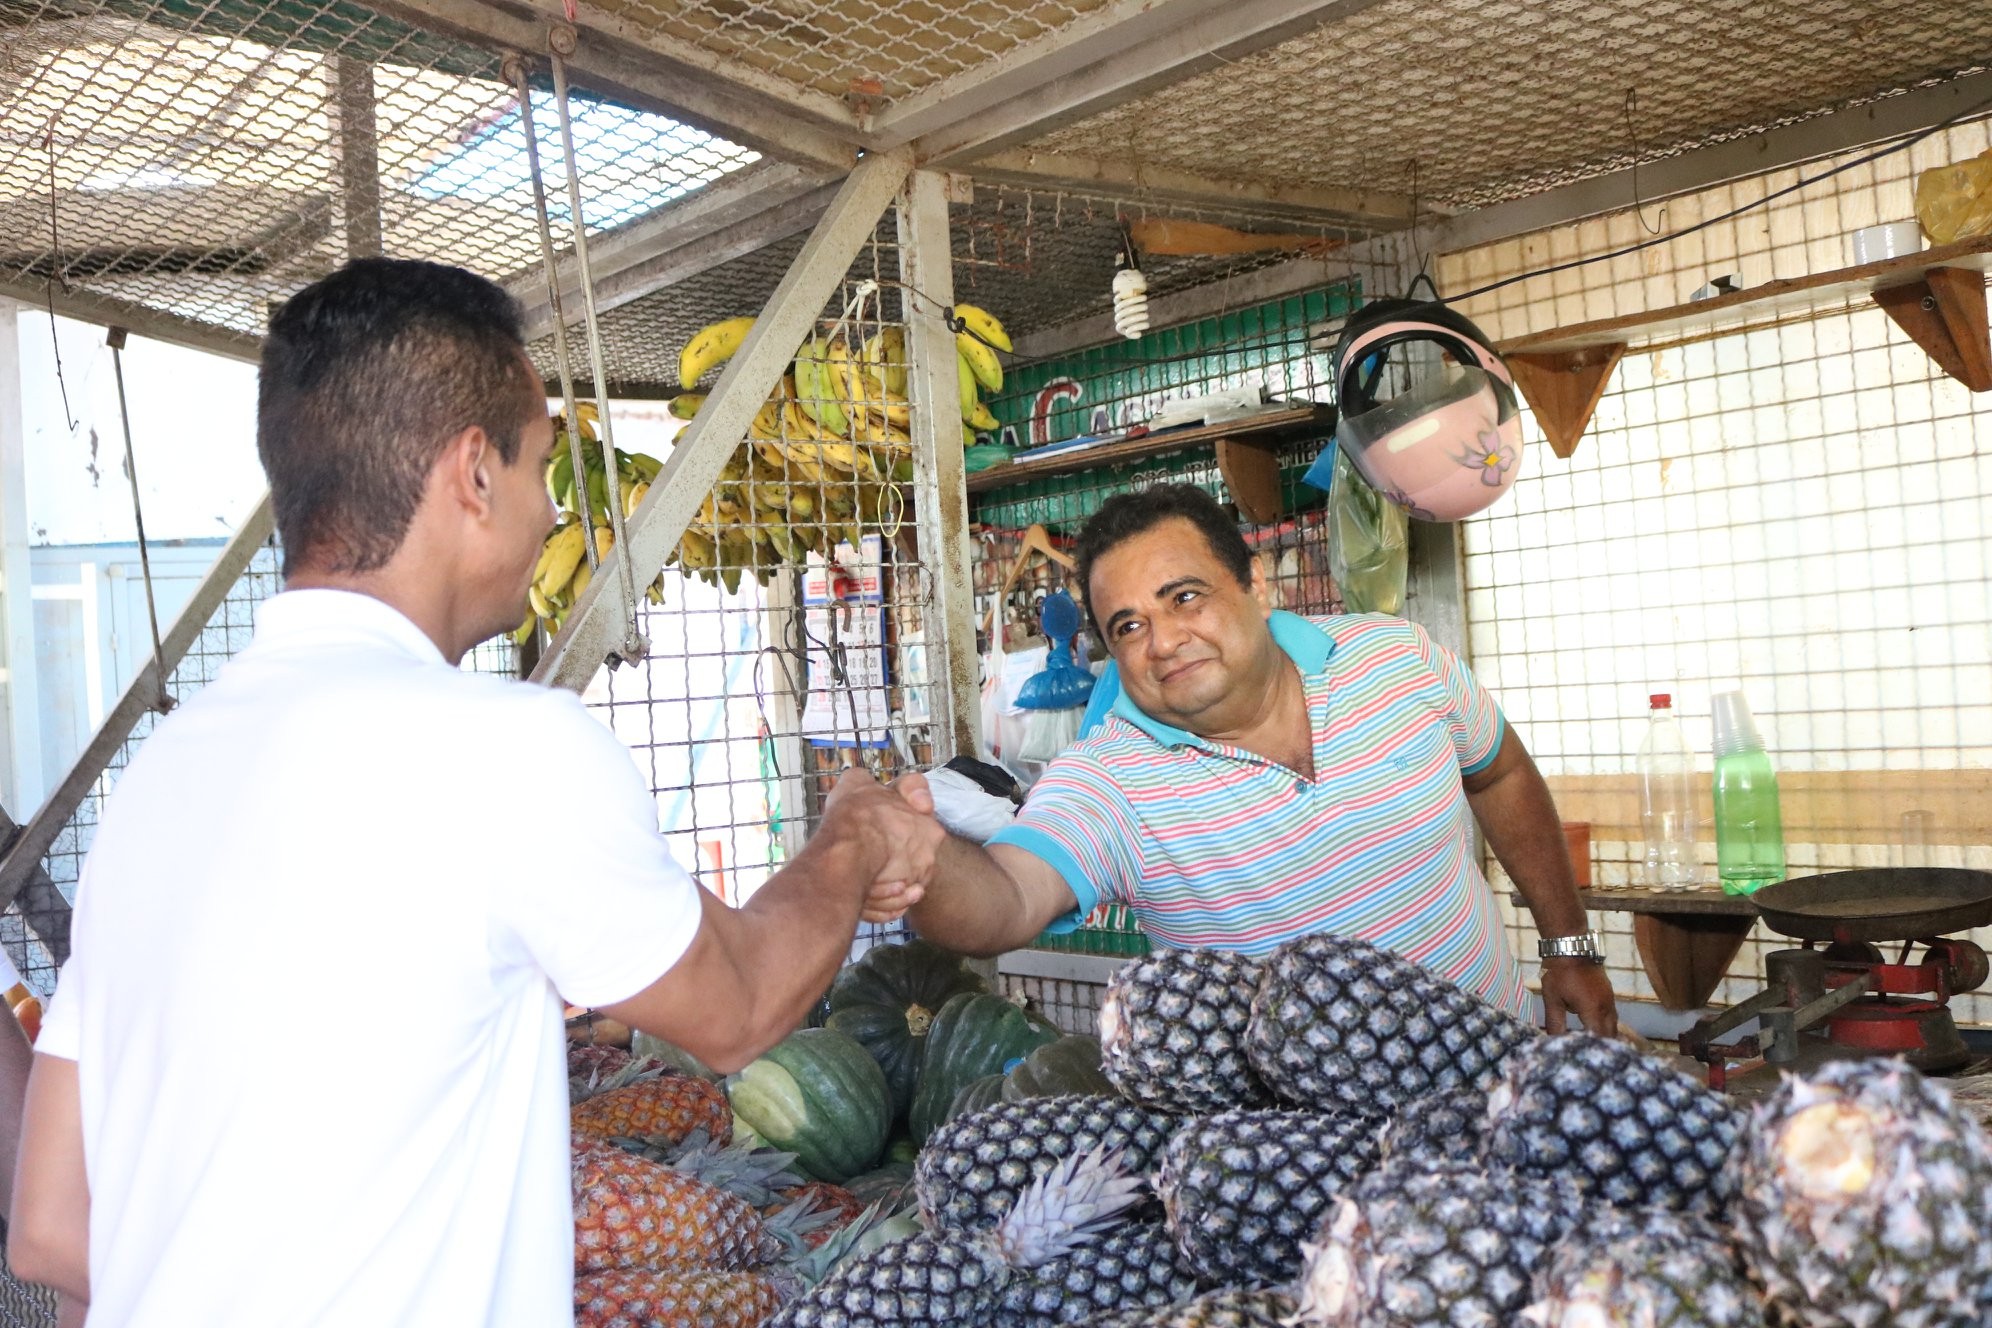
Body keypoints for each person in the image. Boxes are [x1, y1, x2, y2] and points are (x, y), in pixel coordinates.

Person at [7, 259, 944, 1326]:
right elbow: (735, 1007)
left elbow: (51, 1223)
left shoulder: (156, 782)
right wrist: (853, 838)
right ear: (472, 473)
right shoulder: (506, 745)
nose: (552, 513)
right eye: (542, 465)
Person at [871, 484, 1616, 1035]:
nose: (1162, 640)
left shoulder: (1396, 660)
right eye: (1128, 625)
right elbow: (1008, 896)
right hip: (1297, 1165)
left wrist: (1569, 947)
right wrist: (918, 861)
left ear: (1255, 586)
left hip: (1505, 1071)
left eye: (1185, 597)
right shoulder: (1113, 780)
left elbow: (1499, 770)